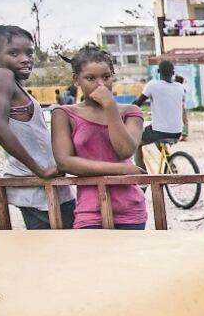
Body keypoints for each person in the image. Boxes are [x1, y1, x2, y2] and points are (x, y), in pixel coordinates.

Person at [50, 44, 147, 230]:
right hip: (90, 210)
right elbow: (65, 162)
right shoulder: (64, 114)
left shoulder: (130, 111)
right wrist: (123, 170)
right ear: (76, 80)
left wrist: (110, 106)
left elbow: (125, 150)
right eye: (90, 78)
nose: (101, 84)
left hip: (130, 209)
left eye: (106, 77)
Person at [0, 25, 75, 229]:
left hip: (48, 181)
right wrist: (39, 169)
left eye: (29, 53)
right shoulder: (3, 75)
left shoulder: (16, 85)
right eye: (14, 53)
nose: (25, 59)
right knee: (54, 245)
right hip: (35, 184)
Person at [133, 60, 186, 168]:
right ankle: (171, 165)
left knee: (136, 143)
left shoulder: (152, 85)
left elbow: (138, 103)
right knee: (157, 138)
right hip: (177, 132)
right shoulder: (180, 87)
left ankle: (142, 173)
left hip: (159, 131)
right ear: (173, 72)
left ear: (158, 71)